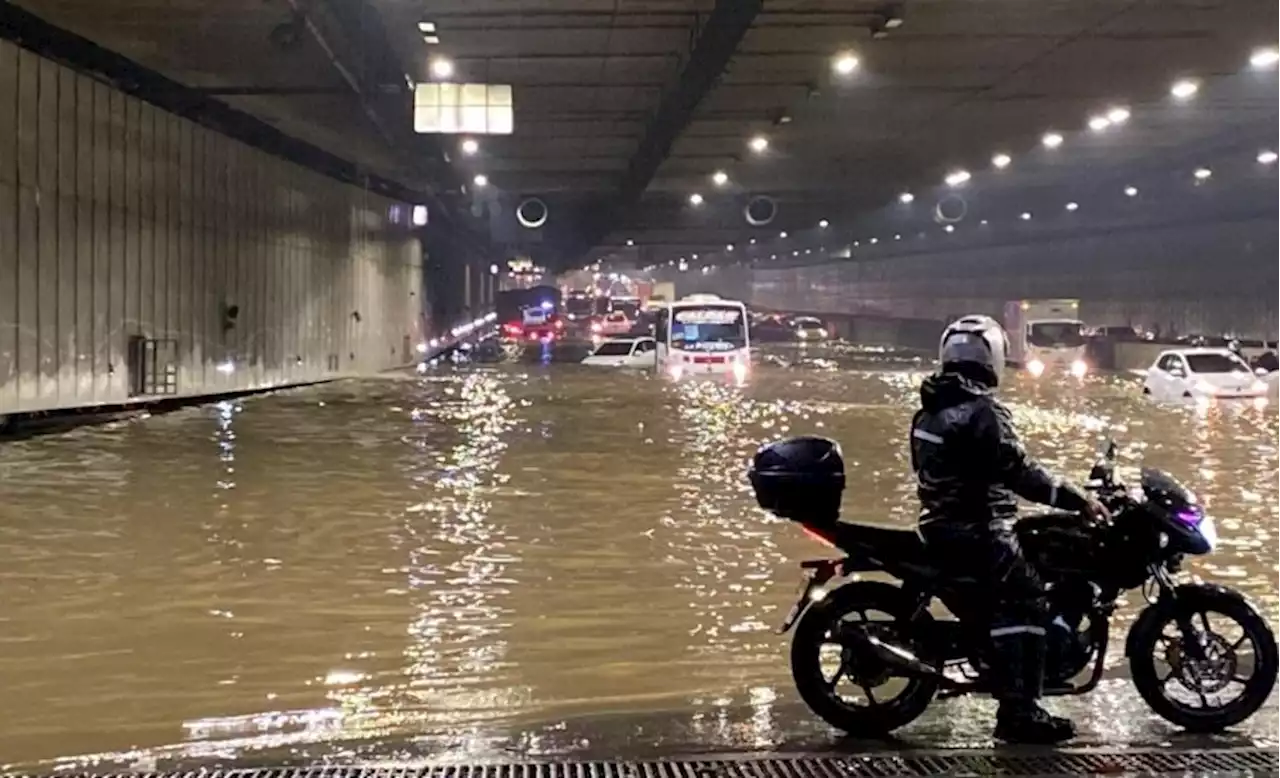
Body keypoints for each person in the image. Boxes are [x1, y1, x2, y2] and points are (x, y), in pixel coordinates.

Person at [909, 315, 1110, 745]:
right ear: (992, 356)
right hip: (978, 528)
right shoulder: (982, 410)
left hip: (941, 525)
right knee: (1028, 597)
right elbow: (1020, 472)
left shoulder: (932, 406)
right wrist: (1076, 498)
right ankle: (1020, 710)